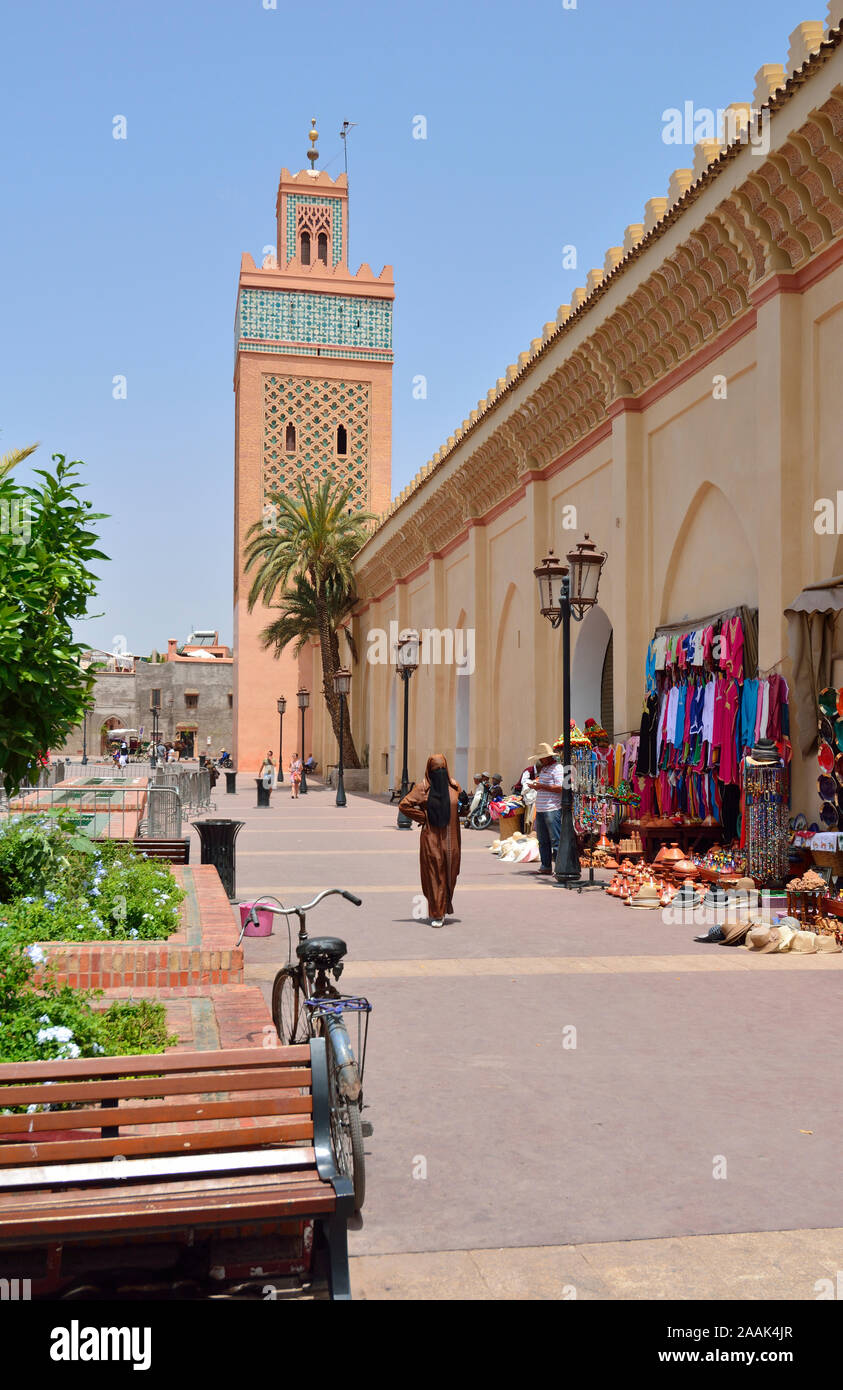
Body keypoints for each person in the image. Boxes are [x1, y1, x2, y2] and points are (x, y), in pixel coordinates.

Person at [399, 753, 462, 928]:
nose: (439, 772)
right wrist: (423, 817)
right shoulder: (422, 789)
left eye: (442, 769)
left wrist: (465, 805)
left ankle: (444, 905)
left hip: (452, 838)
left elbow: (461, 810)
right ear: (429, 770)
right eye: (436, 770)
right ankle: (437, 913)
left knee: (450, 872)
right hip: (431, 837)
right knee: (435, 874)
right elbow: (404, 805)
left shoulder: (454, 787)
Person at [526, 742, 565, 874]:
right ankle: (546, 866)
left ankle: (560, 867)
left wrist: (541, 786)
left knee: (555, 840)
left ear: (548, 757)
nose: (541, 760)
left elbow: (560, 788)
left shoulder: (558, 768)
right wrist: (537, 786)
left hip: (552, 809)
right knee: (542, 840)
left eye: (542, 757)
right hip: (542, 809)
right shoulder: (544, 769)